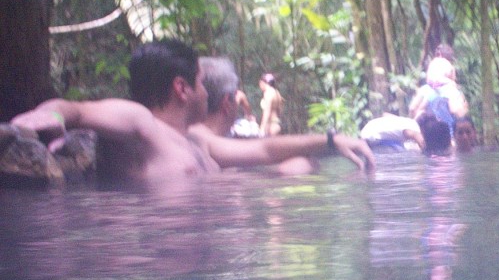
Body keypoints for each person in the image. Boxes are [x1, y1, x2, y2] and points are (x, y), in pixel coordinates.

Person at [10, 40, 374, 184]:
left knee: (298, 165)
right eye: (200, 83)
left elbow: (263, 150)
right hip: (171, 254)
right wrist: (52, 116)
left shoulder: (196, 138)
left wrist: (329, 140)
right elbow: (74, 109)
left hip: (201, 233)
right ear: (182, 89)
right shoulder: (142, 121)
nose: (206, 92)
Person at [359, 112, 425, 152]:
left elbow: (385, 114)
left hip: (368, 129)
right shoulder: (416, 130)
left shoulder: (410, 122)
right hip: (371, 137)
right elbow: (423, 147)